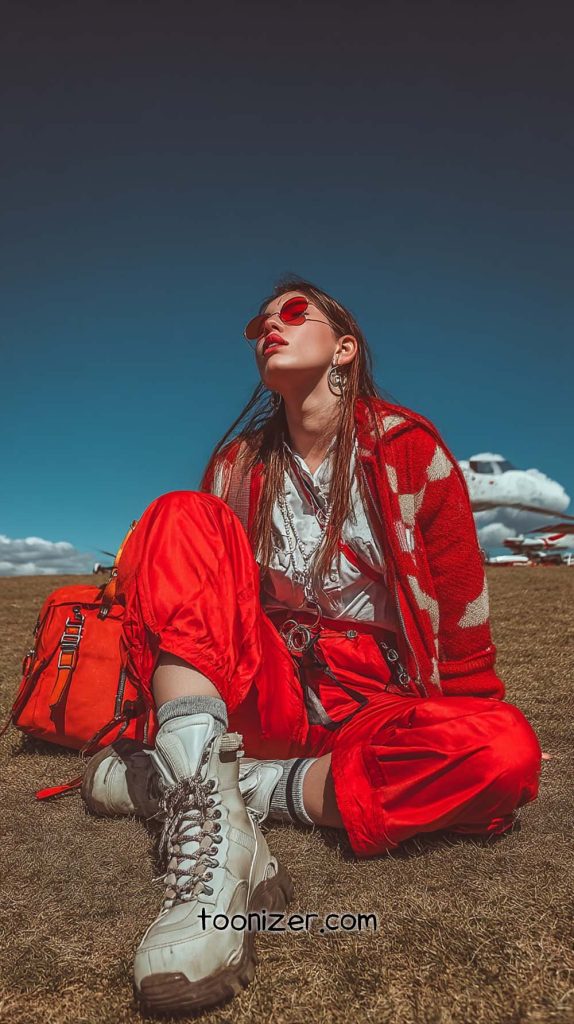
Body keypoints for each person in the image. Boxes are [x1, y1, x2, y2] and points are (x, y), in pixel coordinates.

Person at [81, 275, 542, 1015]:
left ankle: (225, 787)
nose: (270, 326)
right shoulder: (237, 465)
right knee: (179, 513)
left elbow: (460, 609)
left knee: (505, 754)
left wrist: (469, 719)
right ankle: (216, 835)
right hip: (268, 682)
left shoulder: (409, 450)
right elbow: (197, 606)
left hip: (373, 698)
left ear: (346, 349)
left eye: (294, 314)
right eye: (258, 323)